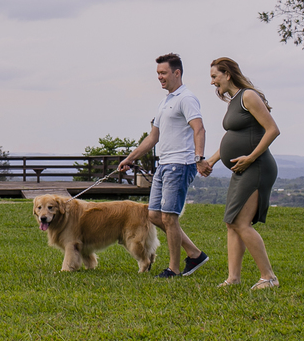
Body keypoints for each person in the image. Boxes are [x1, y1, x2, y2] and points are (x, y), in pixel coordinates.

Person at [118, 53, 208, 278]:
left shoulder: (186, 98)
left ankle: (174, 269)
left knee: (169, 217)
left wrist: (199, 158)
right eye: (158, 73)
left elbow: (199, 128)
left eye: (163, 73)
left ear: (177, 73)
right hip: (164, 164)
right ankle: (195, 254)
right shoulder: (166, 101)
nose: (159, 77)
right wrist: (130, 158)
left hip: (180, 164)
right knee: (154, 215)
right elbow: (153, 137)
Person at [198, 57, 280, 290]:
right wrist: (211, 161)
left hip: (257, 167)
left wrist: (251, 157)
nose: (213, 82)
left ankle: (269, 277)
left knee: (242, 223)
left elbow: (273, 130)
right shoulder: (234, 101)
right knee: (231, 222)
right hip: (242, 168)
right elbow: (231, 139)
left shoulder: (248, 96)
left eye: (215, 77)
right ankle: (233, 278)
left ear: (227, 74)